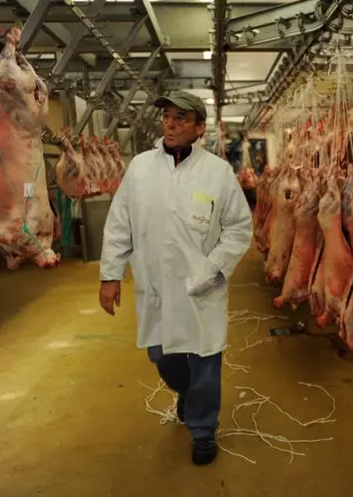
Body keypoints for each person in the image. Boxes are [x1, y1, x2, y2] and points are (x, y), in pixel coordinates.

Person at [99, 91, 253, 466]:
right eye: (168, 116)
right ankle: (188, 394)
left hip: (203, 286)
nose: (171, 123)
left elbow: (238, 228)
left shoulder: (217, 172)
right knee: (161, 355)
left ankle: (202, 429)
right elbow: (120, 224)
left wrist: (212, 266)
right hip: (155, 285)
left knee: (205, 359)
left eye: (182, 118)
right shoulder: (139, 167)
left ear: (200, 127)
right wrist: (110, 274)